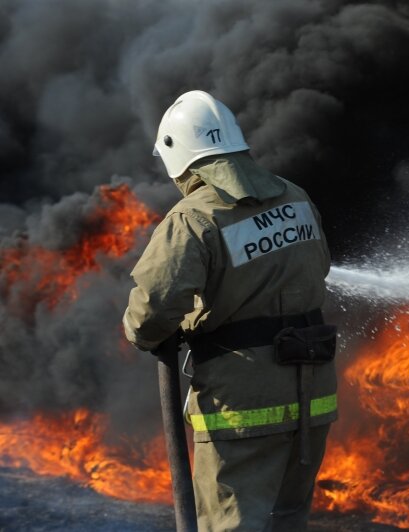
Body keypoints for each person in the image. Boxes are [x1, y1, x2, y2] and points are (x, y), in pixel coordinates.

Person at [122, 90, 337, 531]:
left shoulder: (194, 218)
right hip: (314, 397)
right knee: (288, 522)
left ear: (178, 156)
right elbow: (320, 268)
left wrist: (158, 330)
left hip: (243, 408)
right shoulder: (296, 197)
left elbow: (151, 311)